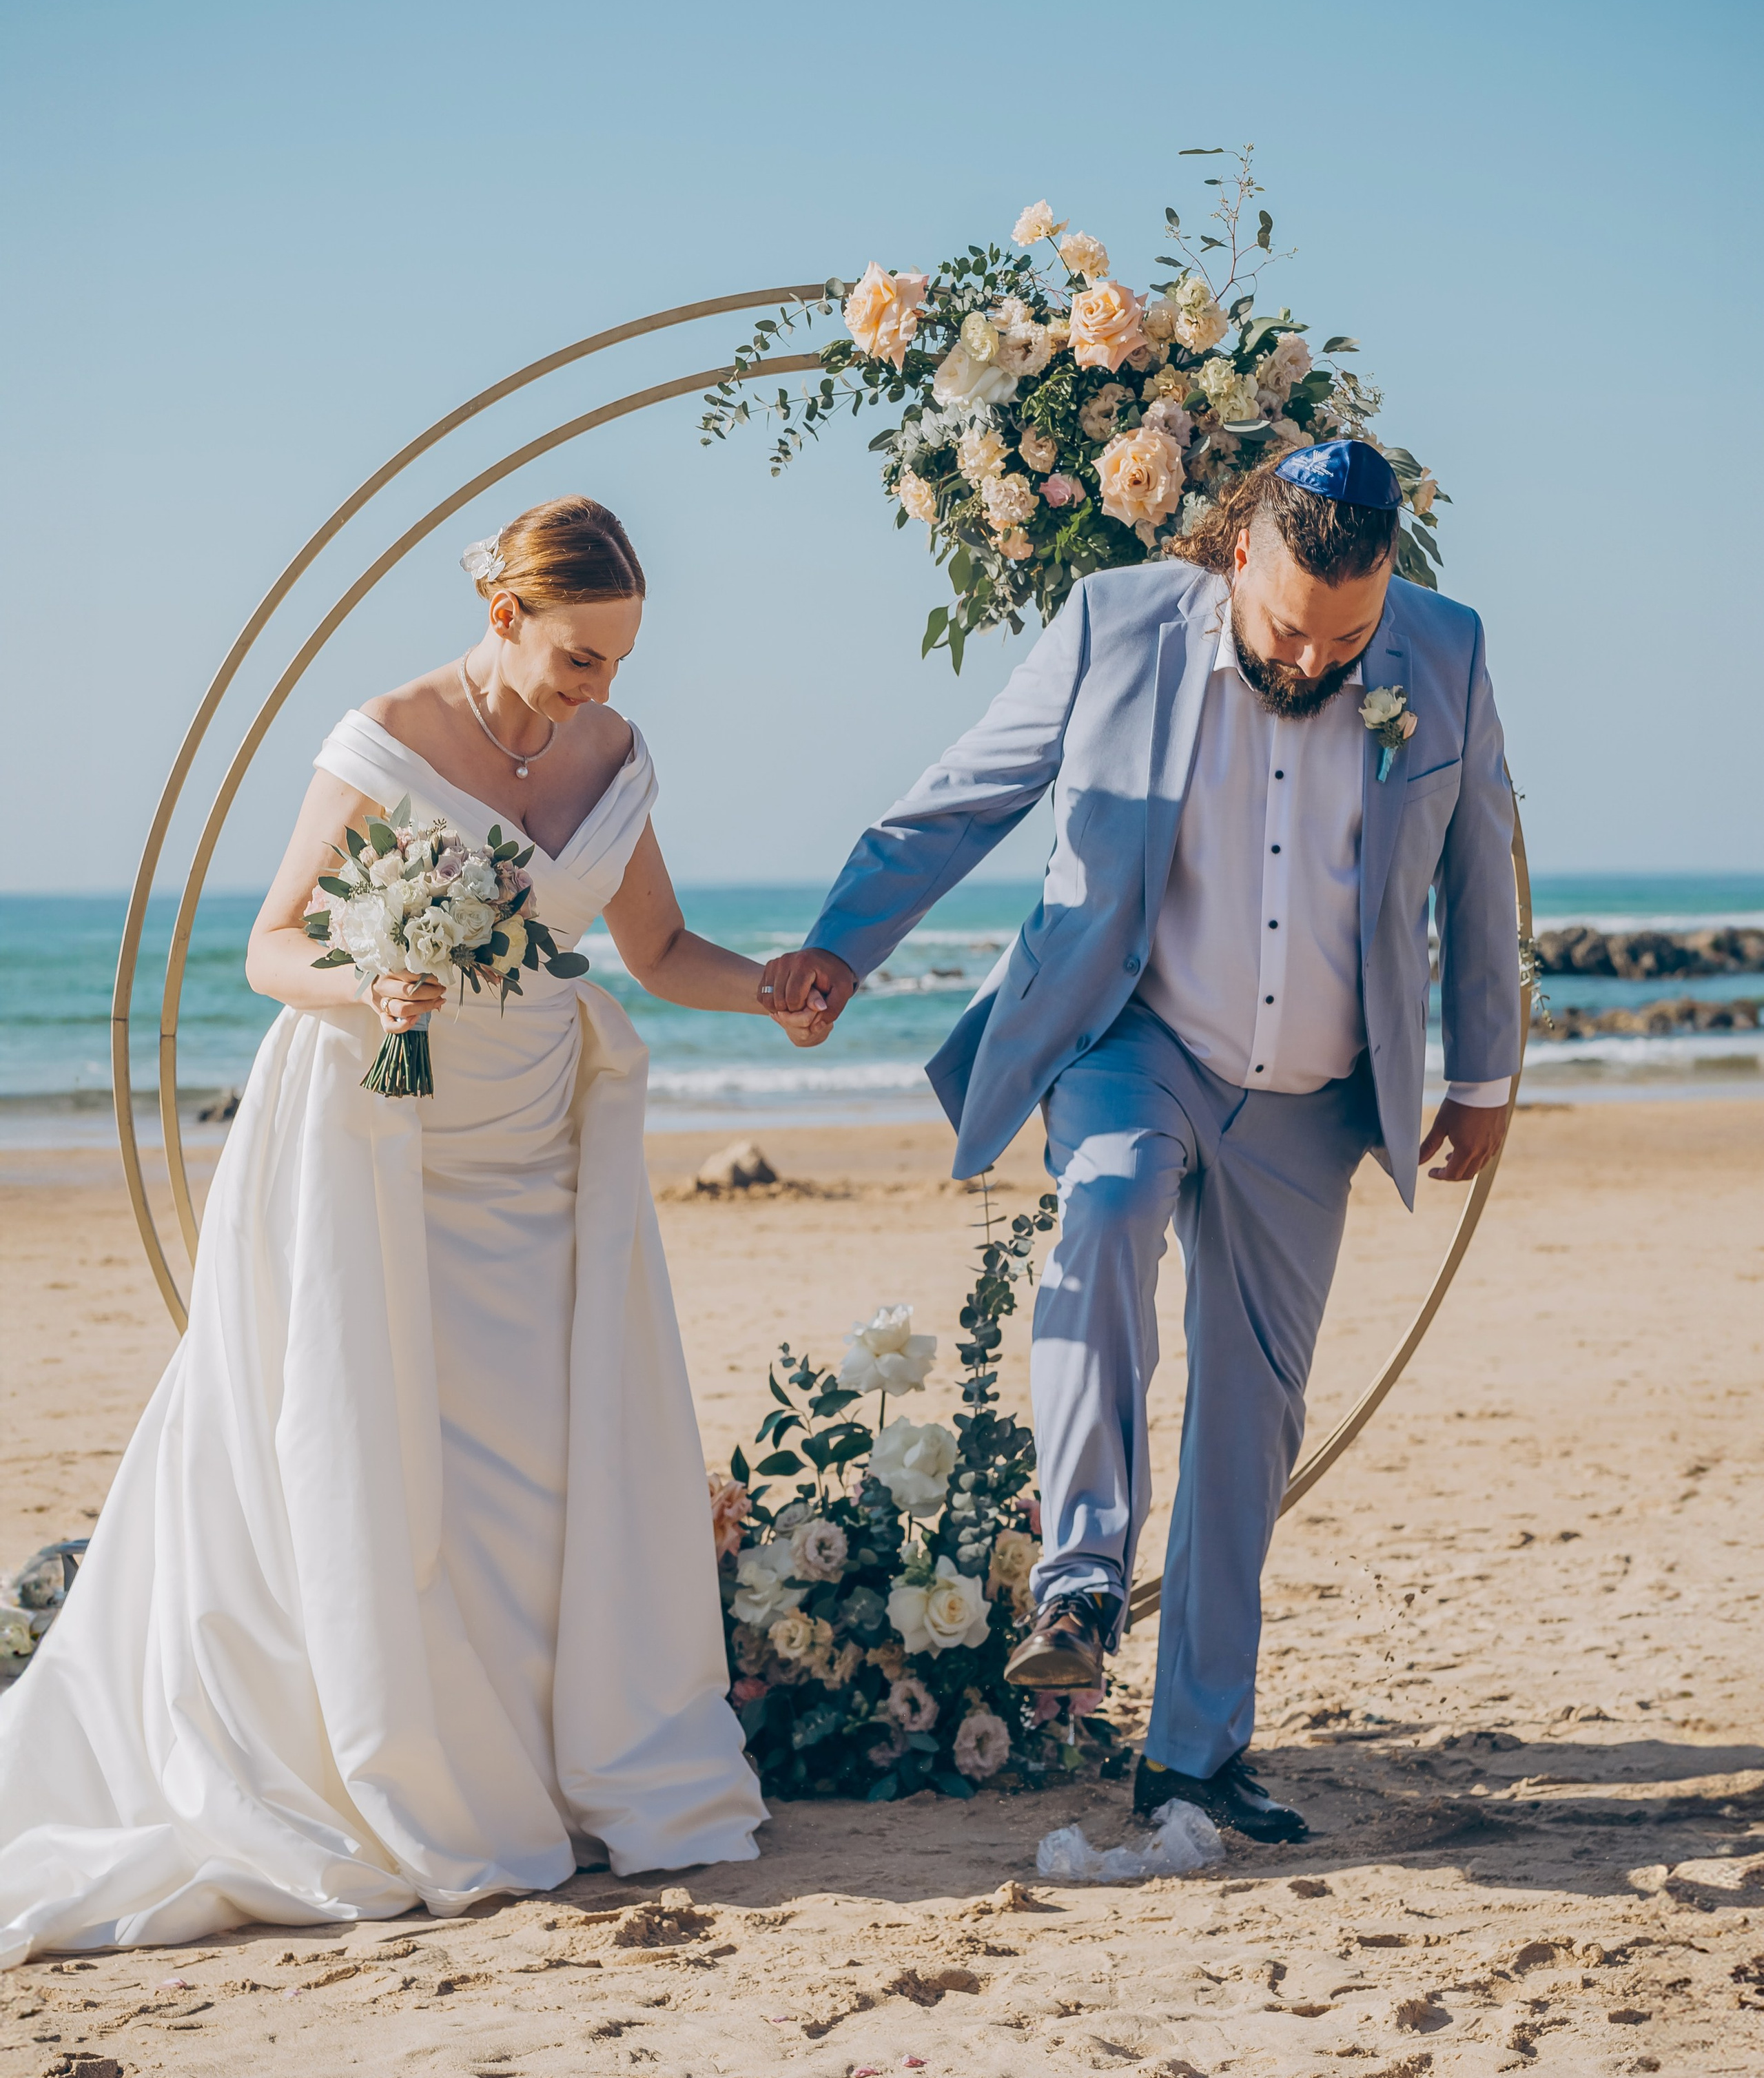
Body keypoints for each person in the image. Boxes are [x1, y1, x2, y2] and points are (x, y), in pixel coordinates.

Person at [0, 495, 807, 1966]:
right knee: (382, 1454)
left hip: (539, 1150)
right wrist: (370, 985)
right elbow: (272, 943)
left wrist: (770, 988)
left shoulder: (614, 758)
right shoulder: (379, 738)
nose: (600, 690)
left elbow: (657, 949)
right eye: (577, 659)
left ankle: (534, 1772)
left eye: (618, 660)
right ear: (505, 617)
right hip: (376, 1135)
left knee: (537, 1464)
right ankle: (417, 1775)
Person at [760, 442, 1519, 1844]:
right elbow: (966, 789)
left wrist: (1484, 1070)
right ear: (1239, 554)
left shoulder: (1444, 652)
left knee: (1251, 1415)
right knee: (1103, 1202)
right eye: (1290, 624)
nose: (1314, 655)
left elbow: (1477, 865)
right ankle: (1080, 1571)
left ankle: (1191, 1754)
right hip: (1134, 1035)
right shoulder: (1117, 624)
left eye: (1346, 635)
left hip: (1313, 1095)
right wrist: (839, 944)